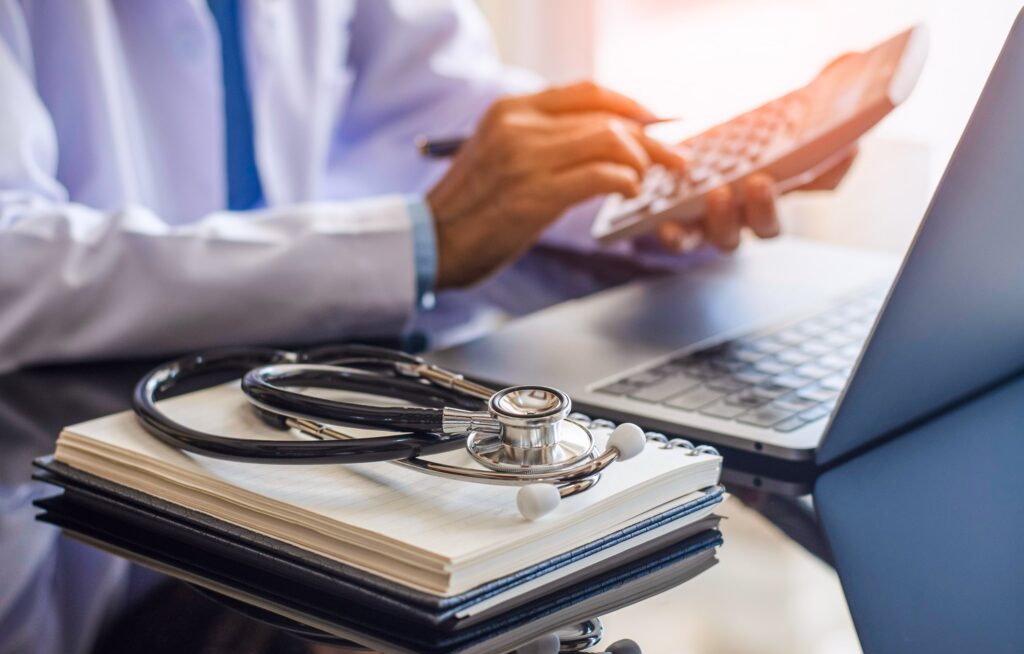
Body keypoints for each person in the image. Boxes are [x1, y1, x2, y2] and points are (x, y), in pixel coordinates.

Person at [0, 0, 853, 372]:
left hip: (282, 427)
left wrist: (650, 179)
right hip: (59, 528)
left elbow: (436, 107)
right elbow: (14, 266)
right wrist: (419, 243)